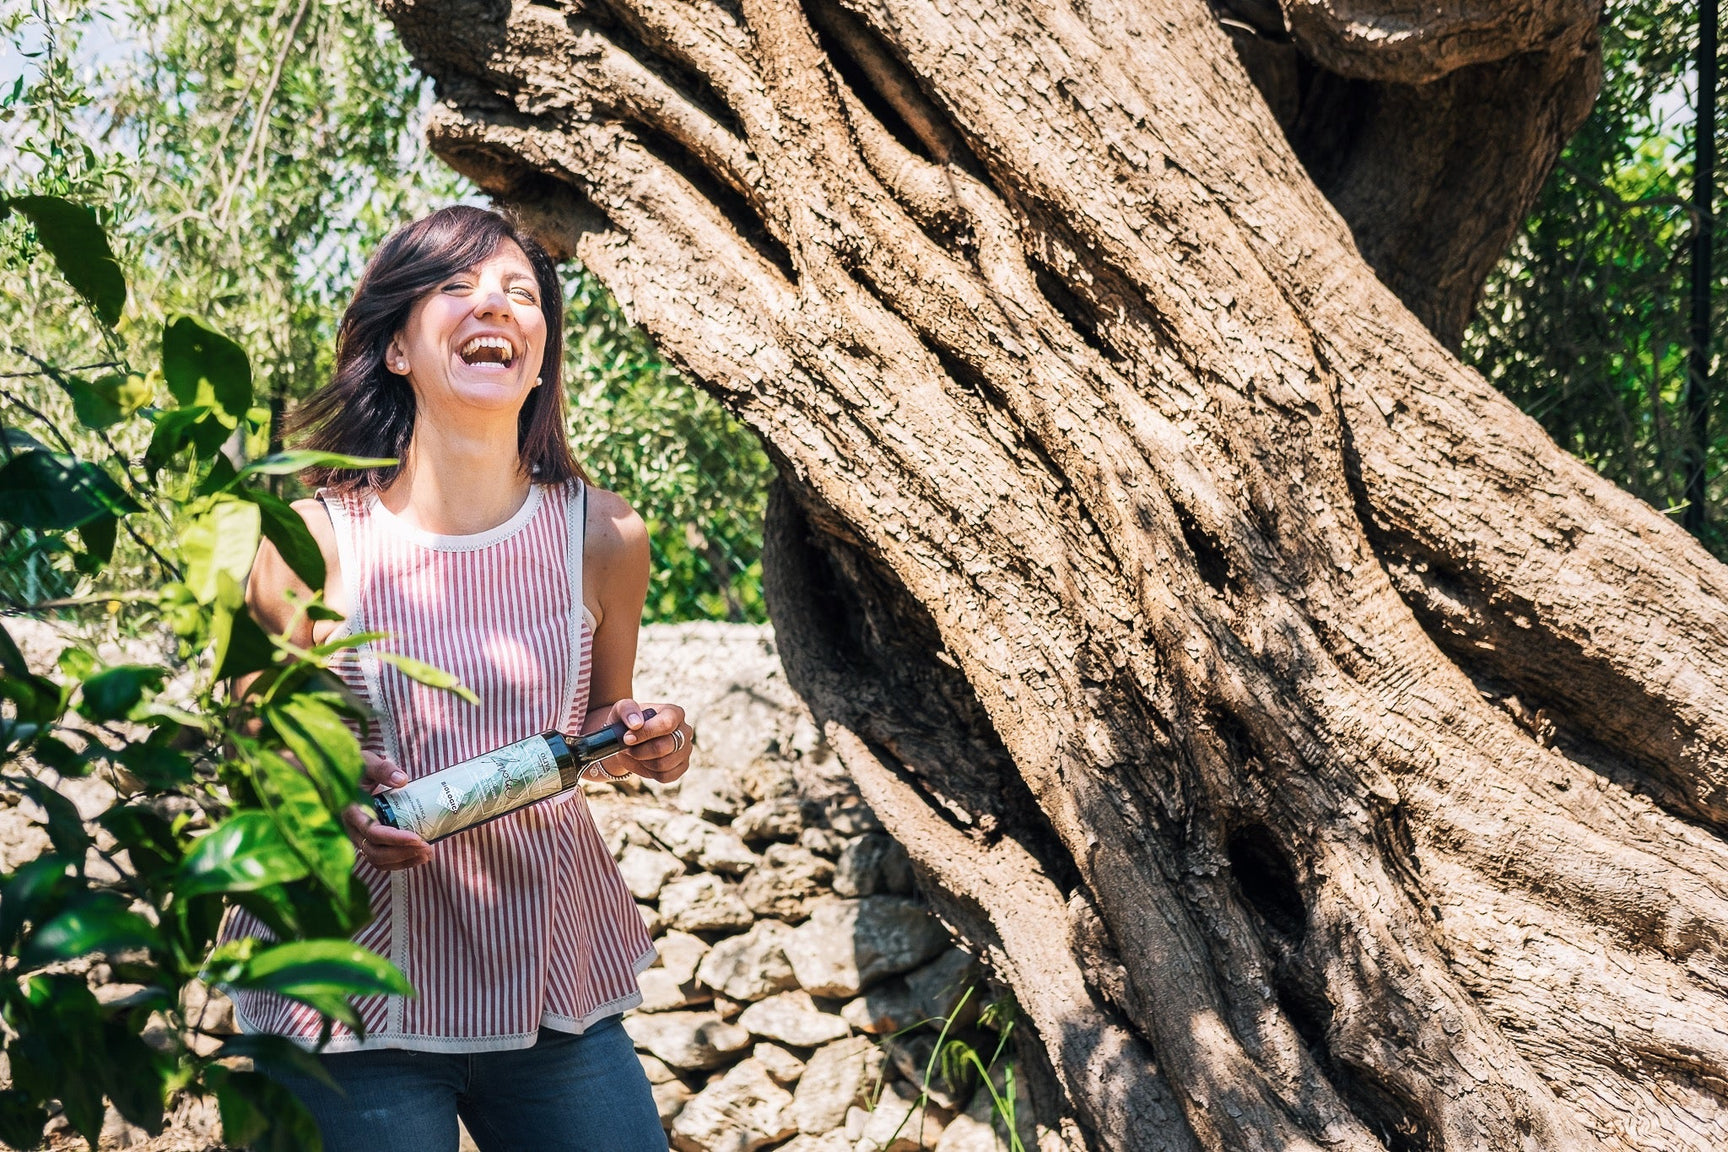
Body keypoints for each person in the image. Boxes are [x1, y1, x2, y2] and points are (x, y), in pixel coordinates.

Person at [226, 205, 688, 1151]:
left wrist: (647, 740)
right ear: (396, 348)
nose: (498, 305)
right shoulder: (304, 544)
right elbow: (249, 761)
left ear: (541, 352)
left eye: (522, 292)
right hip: (345, 1000)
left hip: (550, 983)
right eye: (456, 287)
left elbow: (595, 726)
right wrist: (328, 809)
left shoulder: (605, 536)